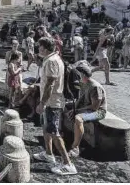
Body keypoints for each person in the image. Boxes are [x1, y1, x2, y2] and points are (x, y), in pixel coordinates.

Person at [33, 37, 77, 175]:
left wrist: (42, 103)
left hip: (52, 102)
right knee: (46, 128)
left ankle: (67, 164)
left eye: (39, 47)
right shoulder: (51, 59)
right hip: (50, 101)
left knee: (54, 131)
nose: (38, 49)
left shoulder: (52, 61)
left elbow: (50, 84)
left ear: (45, 49)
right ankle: (48, 153)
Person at [66, 65, 107, 158]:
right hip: (87, 108)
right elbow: (80, 99)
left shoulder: (95, 87)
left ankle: (75, 147)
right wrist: (73, 108)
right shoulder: (83, 84)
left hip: (99, 112)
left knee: (78, 118)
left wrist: (77, 110)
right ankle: (63, 132)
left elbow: (95, 107)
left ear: (82, 74)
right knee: (64, 107)